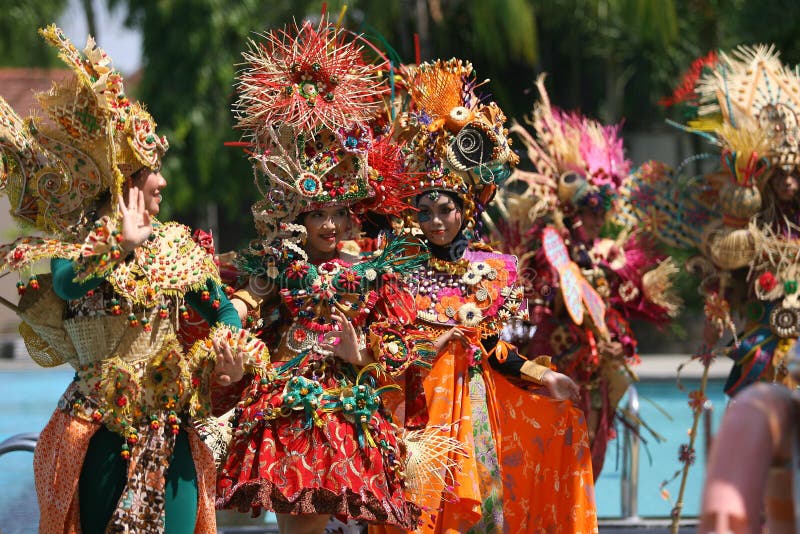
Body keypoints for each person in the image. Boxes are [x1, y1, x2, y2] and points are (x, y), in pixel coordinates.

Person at [0, 26, 267, 533]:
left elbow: (223, 310)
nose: (163, 181)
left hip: (169, 429)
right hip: (97, 431)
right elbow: (66, 286)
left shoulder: (173, 244)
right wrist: (119, 246)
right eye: (152, 170)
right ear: (124, 178)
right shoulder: (76, 245)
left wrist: (228, 356)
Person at [214, 19, 431, 534]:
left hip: (348, 402)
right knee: (299, 525)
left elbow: (405, 343)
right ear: (300, 218)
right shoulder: (280, 263)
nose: (329, 224)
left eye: (338, 212)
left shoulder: (375, 270)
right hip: (288, 400)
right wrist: (228, 337)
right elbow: (241, 303)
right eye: (317, 214)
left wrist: (364, 354)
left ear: (355, 215)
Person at [374, 59, 597, 534]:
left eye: (445, 209)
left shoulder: (495, 271)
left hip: (474, 413)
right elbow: (385, 346)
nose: (435, 221)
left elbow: (500, 350)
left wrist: (543, 378)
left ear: (466, 208)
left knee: (478, 518)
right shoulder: (396, 273)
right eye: (425, 212)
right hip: (415, 412)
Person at [491, 75, 680, 480]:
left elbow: (614, 313)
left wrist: (618, 342)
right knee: (547, 461)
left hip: (594, 374)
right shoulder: (548, 249)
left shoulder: (607, 256)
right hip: (556, 366)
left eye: (601, 211)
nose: (597, 219)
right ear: (572, 211)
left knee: (588, 462)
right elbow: (542, 309)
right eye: (590, 210)